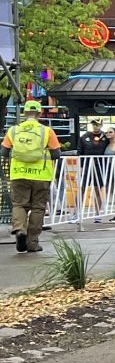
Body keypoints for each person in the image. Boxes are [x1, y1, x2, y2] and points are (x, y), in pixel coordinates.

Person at [4, 101, 60, 252]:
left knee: (19, 204)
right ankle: (32, 242)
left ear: (24, 113)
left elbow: (3, 151)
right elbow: (56, 154)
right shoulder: (46, 131)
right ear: (40, 114)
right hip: (41, 175)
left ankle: (20, 229)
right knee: (38, 207)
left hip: (19, 174)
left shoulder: (13, 130)